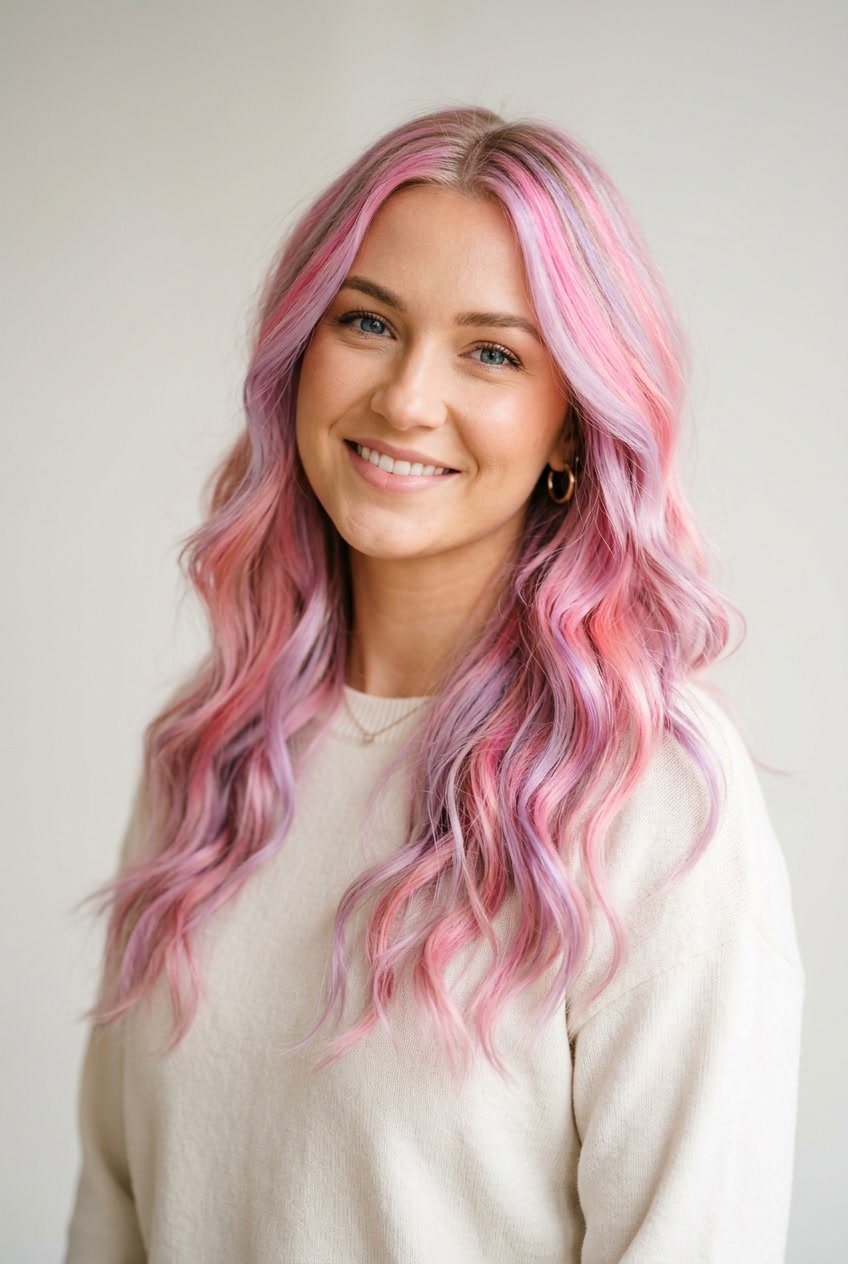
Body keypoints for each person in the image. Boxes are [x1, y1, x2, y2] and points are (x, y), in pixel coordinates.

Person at [64, 106, 804, 1264]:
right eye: (368, 321)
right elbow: (112, 1216)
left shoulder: (653, 794)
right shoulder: (210, 758)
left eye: (492, 352)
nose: (406, 398)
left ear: (569, 427)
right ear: (299, 352)